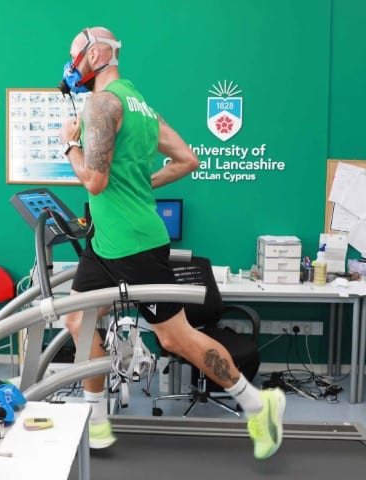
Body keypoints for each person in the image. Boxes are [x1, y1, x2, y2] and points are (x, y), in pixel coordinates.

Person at [57, 27, 285, 458]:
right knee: (76, 319)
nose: (71, 66)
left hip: (134, 246)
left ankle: (258, 403)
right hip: (105, 244)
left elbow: (94, 181)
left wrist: (69, 143)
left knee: (175, 338)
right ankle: (97, 420)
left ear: (97, 54)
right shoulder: (142, 107)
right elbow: (188, 160)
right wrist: (141, 184)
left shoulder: (102, 104)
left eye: (75, 56)